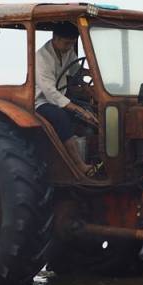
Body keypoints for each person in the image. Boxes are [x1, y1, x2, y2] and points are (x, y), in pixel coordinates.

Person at [34, 22, 99, 176]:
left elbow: (77, 70)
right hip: (41, 102)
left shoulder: (67, 52)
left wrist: (95, 77)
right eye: (67, 43)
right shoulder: (42, 57)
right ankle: (79, 165)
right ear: (55, 38)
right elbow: (50, 92)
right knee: (61, 117)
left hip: (61, 98)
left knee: (92, 111)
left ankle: (95, 154)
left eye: (72, 43)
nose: (69, 46)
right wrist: (77, 109)